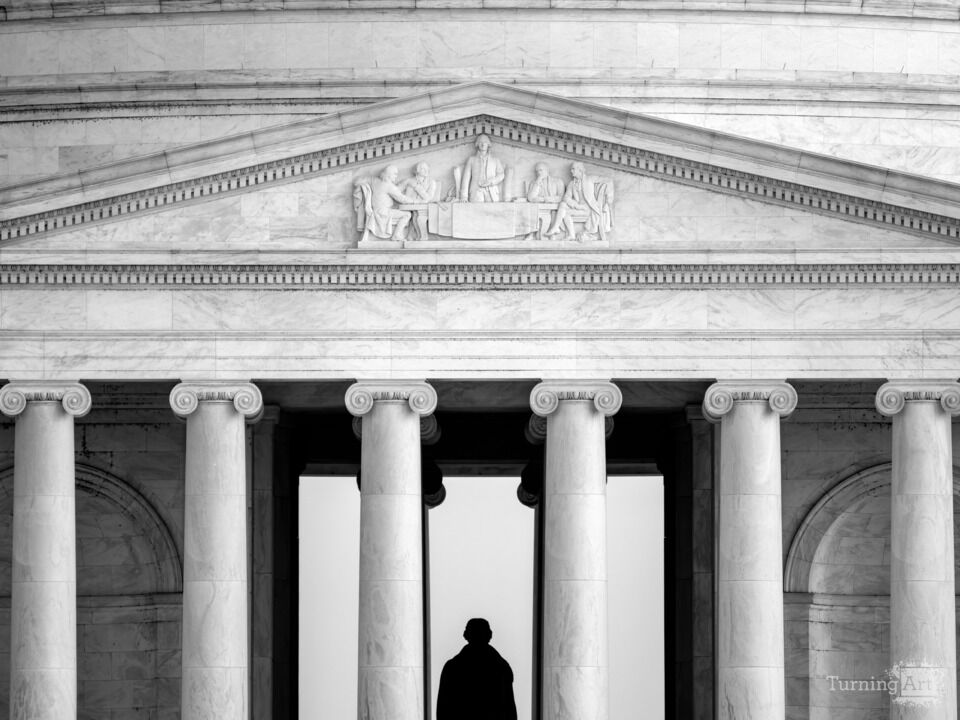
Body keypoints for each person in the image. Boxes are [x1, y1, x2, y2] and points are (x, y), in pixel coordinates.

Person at [436, 618, 517, 720]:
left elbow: (443, 709)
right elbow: (509, 709)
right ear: (489, 635)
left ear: (466, 635)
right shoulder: (501, 667)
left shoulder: (452, 667)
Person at [545, 161, 614, 241]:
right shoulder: (572, 184)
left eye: (573, 169)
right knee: (563, 205)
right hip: (578, 207)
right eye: (571, 169)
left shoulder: (590, 179)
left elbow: (609, 181)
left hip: (589, 209)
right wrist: (576, 205)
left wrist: (609, 197)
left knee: (564, 211)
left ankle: (558, 229)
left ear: (580, 170)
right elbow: (566, 197)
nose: (571, 171)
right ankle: (561, 230)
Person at [353, 164, 417, 241]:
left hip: (376, 211)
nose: (396, 176)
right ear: (389, 175)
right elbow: (401, 198)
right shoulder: (389, 186)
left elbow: (357, 181)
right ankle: (396, 235)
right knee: (407, 214)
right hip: (384, 213)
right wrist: (414, 201)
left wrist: (364, 186)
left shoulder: (374, 180)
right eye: (395, 174)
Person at [460, 134, 505, 202]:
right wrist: (464, 196)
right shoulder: (471, 160)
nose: (483, 144)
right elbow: (466, 178)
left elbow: (501, 175)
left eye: (485, 142)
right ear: (477, 144)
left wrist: (491, 181)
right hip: (476, 191)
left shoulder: (495, 160)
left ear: (488, 144)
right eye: (481, 142)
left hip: (491, 191)